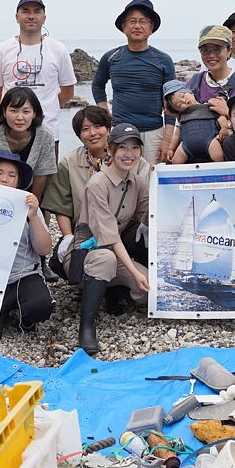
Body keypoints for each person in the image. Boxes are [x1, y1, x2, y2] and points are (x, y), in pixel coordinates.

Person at [73, 123, 151, 355]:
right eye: (122, 147)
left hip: (115, 253)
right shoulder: (97, 184)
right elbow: (110, 237)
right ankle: (86, 327)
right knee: (105, 259)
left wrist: (160, 182)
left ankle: (109, 290)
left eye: (135, 147)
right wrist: (134, 272)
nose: (129, 154)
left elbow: (148, 216)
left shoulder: (137, 182)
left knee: (149, 291)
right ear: (110, 150)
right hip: (88, 251)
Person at [43, 106, 152, 251]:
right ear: (79, 135)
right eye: (85, 129)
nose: (93, 133)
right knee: (69, 258)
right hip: (86, 233)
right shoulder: (69, 162)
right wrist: (67, 236)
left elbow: (146, 203)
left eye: (98, 126)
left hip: (125, 230)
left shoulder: (131, 160)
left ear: (108, 129)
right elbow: (61, 206)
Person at [0, 150, 56, 343]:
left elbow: (44, 249)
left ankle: (25, 318)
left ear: (18, 181)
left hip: (23, 275)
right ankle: (1, 311)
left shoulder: (27, 205)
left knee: (40, 307)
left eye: (12, 175)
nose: (4, 179)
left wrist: (34, 217)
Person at [0, 0, 77, 156]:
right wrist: (12, 115)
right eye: (25, 11)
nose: (31, 16)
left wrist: (47, 107)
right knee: (5, 172)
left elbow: (68, 91)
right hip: (9, 134)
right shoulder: (2, 50)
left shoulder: (58, 50)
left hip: (47, 131)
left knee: (45, 173)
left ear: (44, 18)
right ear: (17, 17)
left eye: (36, 11)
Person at [91, 0, 177, 165]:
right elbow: (97, 85)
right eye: (132, 21)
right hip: (120, 132)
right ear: (124, 27)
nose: (137, 26)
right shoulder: (111, 57)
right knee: (120, 177)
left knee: (152, 177)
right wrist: (105, 114)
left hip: (153, 133)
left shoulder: (163, 60)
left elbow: (171, 102)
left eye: (143, 21)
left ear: (151, 28)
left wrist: (167, 139)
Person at [163, 25, 235, 157]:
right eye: (205, 50)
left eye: (217, 49)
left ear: (229, 50)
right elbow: (181, 124)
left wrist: (228, 112)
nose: (211, 55)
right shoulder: (192, 84)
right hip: (196, 159)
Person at [0, 86, 58, 200]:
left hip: (32, 187)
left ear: (34, 113)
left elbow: (42, 171)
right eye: (13, 111)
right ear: (4, 112)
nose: (20, 117)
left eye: (26, 112)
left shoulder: (45, 134)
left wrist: (33, 200)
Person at [163, 80, 225, 164]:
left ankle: (221, 169)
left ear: (190, 92)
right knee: (176, 162)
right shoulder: (182, 117)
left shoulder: (208, 106)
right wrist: (171, 149)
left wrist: (224, 128)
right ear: (178, 110)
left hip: (209, 141)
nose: (184, 101)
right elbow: (177, 135)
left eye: (183, 95)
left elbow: (220, 117)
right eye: (179, 105)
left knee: (218, 156)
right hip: (186, 146)